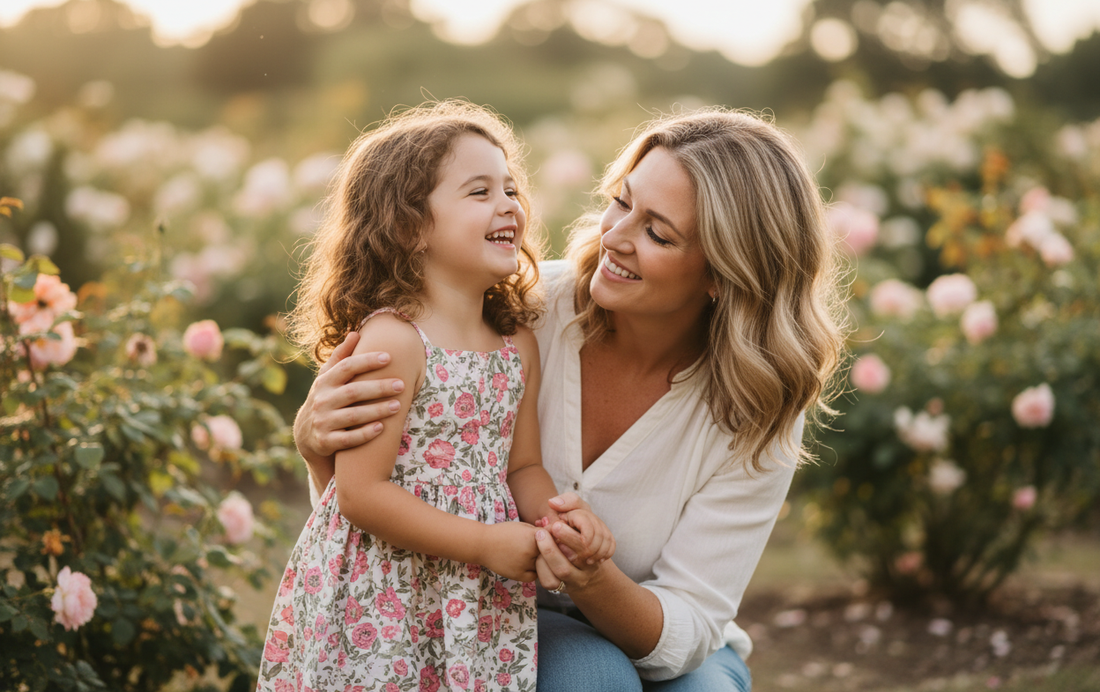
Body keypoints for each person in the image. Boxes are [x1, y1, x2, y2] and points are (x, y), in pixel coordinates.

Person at [293, 108, 847, 691]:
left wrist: (587, 570)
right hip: (480, 608)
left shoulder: (759, 408)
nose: (613, 236)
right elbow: (368, 495)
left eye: (658, 233)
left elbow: (690, 621)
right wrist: (317, 450)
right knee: (592, 676)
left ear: (724, 275)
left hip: (654, 636)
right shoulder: (511, 317)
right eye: (620, 201)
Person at [257, 101, 613, 692]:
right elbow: (362, 495)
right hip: (382, 590)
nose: (508, 205)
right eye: (479, 192)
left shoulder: (516, 344)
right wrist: (483, 543)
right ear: (409, 228)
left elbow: (521, 465)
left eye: (510, 188)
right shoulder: (395, 341)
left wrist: (560, 524)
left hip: (471, 597)